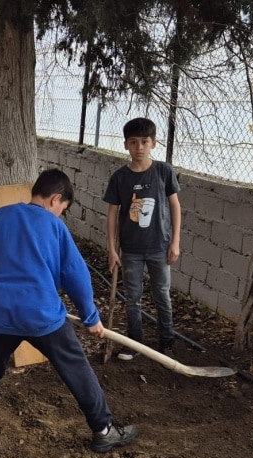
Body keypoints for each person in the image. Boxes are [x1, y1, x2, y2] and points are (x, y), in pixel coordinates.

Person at [0, 169, 140, 455]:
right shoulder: (55, 227)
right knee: (77, 369)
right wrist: (91, 318)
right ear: (55, 199)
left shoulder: (1, 216)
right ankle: (104, 431)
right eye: (62, 209)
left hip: (1, 315)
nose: (59, 215)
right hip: (42, 316)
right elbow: (76, 275)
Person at [103, 117, 182, 360]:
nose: (139, 147)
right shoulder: (120, 178)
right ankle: (134, 343)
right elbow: (113, 214)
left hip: (159, 247)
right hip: (131, 250)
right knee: (132, 299)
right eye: (134, 142)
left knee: (162, 295)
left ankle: (166, 341)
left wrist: (175, 241)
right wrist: (112, 249)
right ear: (126, 145)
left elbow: (175, 207)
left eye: (144, 142)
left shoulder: (163, 171)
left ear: (154, 144)